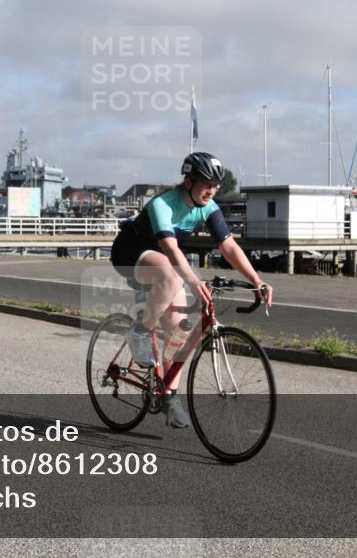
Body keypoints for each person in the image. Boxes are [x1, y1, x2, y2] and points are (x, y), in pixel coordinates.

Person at [110, 152, 272, 428]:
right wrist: (195, 282)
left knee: (179, 332)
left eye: (215, 185)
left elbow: (229, 247)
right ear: (188, 182)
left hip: (161, 261)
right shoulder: (162, 204)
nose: (211, 190)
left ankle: (169, 397)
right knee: (173, 276)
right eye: (206, 184)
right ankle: (139, 332)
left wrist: (257, 281)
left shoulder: (208, 207)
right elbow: (171, 250)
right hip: (130, 253)